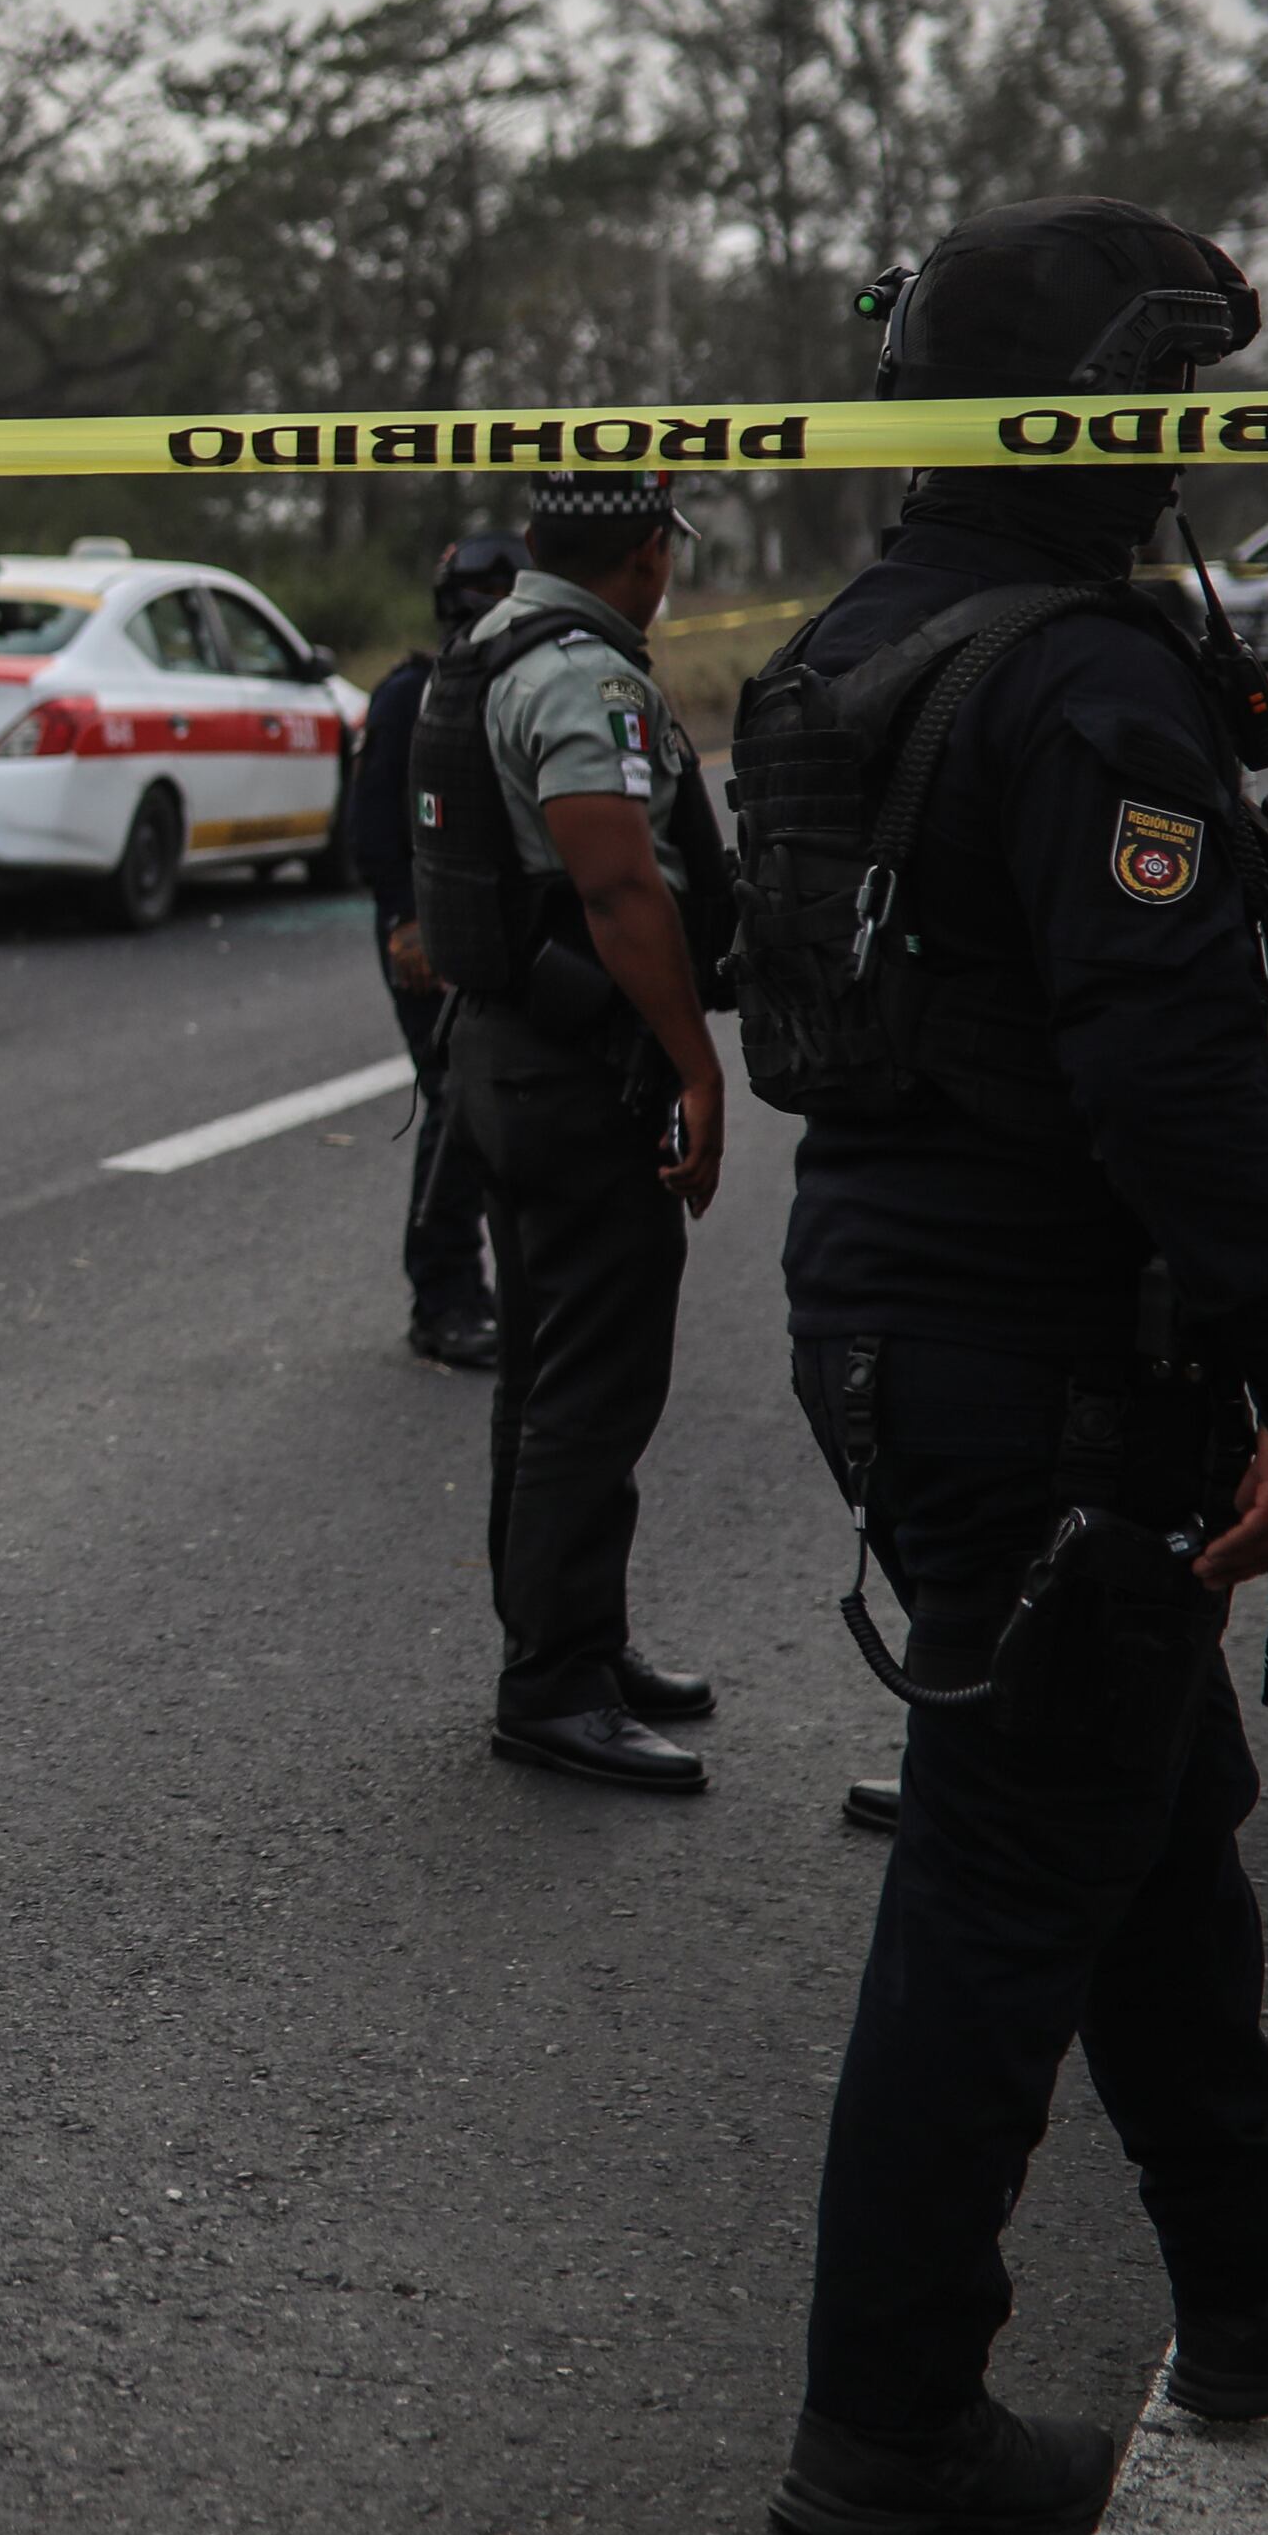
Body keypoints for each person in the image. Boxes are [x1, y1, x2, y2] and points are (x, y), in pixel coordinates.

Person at [752, 200, 1268, 2535]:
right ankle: (883, 2430)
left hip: (906, 1318)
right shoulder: (1084, 678)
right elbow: (1167, 1073)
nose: (1193, 437)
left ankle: (1260, 2274)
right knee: (1000, 1887)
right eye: (1171, 391)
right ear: (1101, 407)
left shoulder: (860, 642)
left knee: (1147, 1820)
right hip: (1050, 1363)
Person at [406, 470, 727, 1792]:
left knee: (547, 1372)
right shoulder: (580, 676)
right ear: (651, 552)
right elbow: (612, 879)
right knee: (595, 1383)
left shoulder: (487, 644)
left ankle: (572, 1641)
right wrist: (698, 1069)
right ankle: (549, 1685)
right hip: (571, 1066)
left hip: (498, 1055)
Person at [342, 529, 525, 1370]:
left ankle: (508, 1289)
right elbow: (375, 826)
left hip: (506, 932)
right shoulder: (412, 694)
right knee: (457, 1108)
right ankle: (445, 1295)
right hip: (432, 938)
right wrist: (403, 922)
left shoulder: (527, 683)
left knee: (509, 1111)